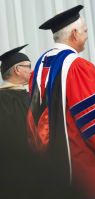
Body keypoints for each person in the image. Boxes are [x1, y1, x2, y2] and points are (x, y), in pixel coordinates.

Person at [26, 5, 95, 199]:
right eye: (85, 31)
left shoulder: (40, 65)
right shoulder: (78, 66)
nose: (87, 35)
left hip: (49, 163)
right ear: (74, 33)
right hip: (79, 161)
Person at [0, 44, 35, 198]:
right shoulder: (5, 99)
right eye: (28, 66)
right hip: (18, 167)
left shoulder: (26, 95)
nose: (31, 70)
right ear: (17, 70)